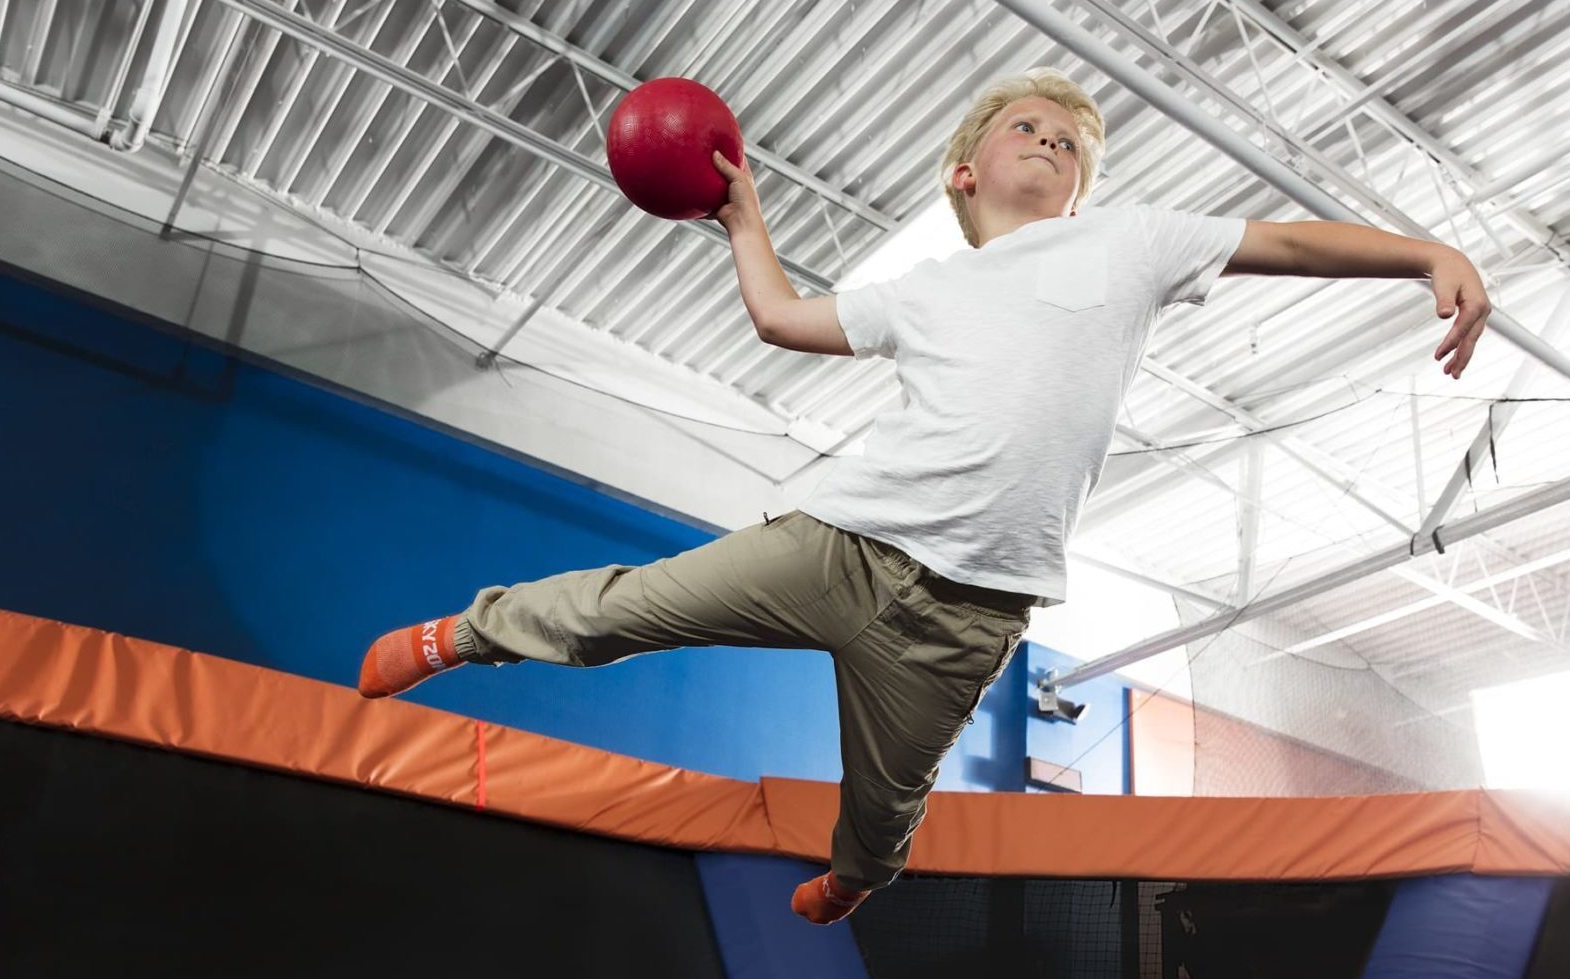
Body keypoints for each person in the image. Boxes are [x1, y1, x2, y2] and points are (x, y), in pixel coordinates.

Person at [356, 67, 1491, 925]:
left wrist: (1421, 251)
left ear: (1086, 189)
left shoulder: (1133, 243)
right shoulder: (924, 291)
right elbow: (781, 320)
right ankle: (463, 631)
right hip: (844, 539)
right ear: (965, 171)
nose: (1050, 142)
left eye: (1069, 143)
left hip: (972, 611)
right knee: (632, 606)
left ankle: (858, 875)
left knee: (888, 797)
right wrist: (744, 220)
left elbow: (1287, 240)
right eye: (1025, 130)